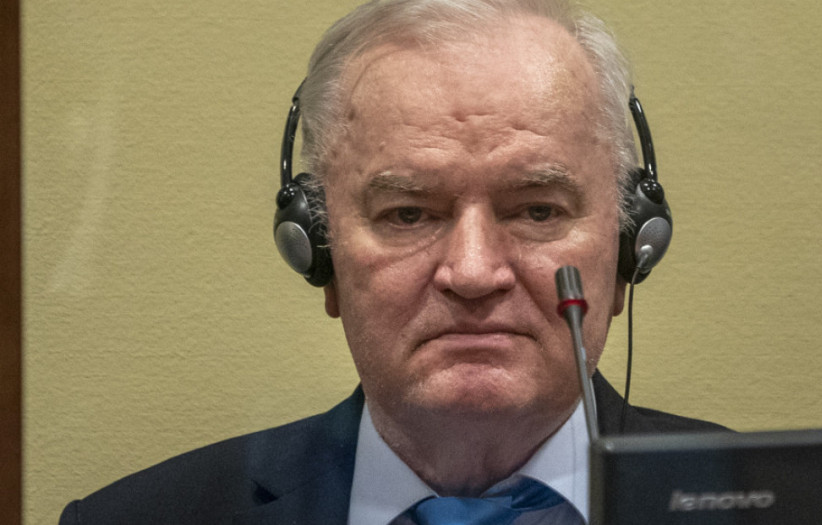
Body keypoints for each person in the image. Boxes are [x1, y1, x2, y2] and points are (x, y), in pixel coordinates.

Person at [60, 0, 725, 523]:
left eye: (537, 210)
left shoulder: (772, 503)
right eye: (409, 214)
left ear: (627, 248)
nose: (473, 273)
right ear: (319, 252)